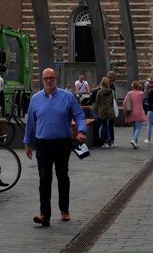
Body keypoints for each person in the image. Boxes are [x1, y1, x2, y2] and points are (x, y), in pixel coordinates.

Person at [23, 67, 88, 227]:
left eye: (51, 78)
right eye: (46, 78)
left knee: (62, 176)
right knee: (44, 178)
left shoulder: (67, 97)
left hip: (62, 143)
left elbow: (79, 115)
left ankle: (64, 209)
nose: (49, 80)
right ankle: (45, 214)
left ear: (56, 79)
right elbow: (31, 122)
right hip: (43, 143)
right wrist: (27, 143)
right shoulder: (36, 99)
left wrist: (81, 131)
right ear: (42, 80)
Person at [94, 77, 116, 148]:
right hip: (110, 111)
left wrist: (95, 110)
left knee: (104, 126)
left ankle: (105, 142)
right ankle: (112, 142)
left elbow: (97, 102)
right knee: (111, 127)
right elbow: (114, 101)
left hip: (102, 111)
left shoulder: (99, 92)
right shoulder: (112, 91)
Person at [124, 80, 146, 149]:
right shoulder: (141, 93)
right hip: (139, 112)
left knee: (134, 128)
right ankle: (134, 140)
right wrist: (140, 87)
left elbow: (125, 101)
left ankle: (136, 143)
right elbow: (143, 99)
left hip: (131, 112)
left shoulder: (129, 93)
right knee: (138, 128)